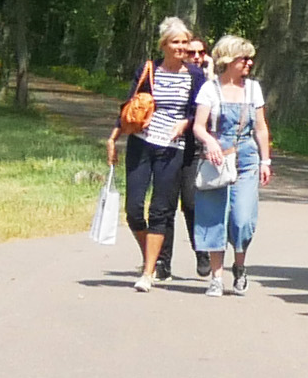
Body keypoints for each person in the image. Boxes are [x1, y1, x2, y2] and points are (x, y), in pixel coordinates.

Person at [109, 17, 204, 293]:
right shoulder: (148, 70)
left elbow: (200, 111)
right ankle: (148, 253)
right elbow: (129, 106)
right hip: (141, 143)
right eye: (176, 42)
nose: (182, 47)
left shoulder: (195, 76)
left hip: (173, 149)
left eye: (185, 42)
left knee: (160, 210)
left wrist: (185, 124)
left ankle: (149, 272)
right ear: (164, 45)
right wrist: (114, 138)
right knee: (134, 209)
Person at [184, 33, 272, 293]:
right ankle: (216, 278)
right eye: (244, 58)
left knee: (242, 218)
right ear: (229, 60)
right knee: (213, 216)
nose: (249, 63)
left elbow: (261, 128)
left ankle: (240, 266)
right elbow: (198, 127)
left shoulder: (253, 89)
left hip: (246, 157)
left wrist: (265, 161)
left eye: (250, 59)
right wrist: (210, 143)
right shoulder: (209, 89)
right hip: (216, 157)